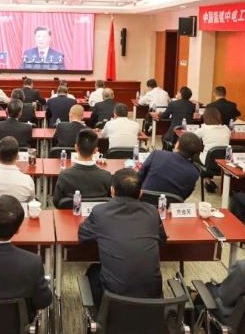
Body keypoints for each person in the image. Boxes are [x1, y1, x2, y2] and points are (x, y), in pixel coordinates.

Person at [78, 168, 166, 308]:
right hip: (152, 302)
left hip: (113, 301)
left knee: (93, 271)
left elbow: (83, 236)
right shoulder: (152, 212)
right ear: (141, 193)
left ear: (112, 191)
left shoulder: (100, 212)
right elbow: (162, 240)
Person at [52, 129, 111, 207]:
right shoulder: (106, 176)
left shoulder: (65, 175)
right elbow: (110, 202)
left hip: (71, 214)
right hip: (98, 214)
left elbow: (56, 202)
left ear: (76, 147)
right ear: (96, 150)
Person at [138, 132, 203, 201]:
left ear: (177, 144)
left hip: (143, 202)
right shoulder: (194, 173)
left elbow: (139, 177)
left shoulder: (157, 154)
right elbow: (184, 196)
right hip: (171, 206)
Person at [193, 107, 231, 193]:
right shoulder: (226, 129)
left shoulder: (203, 129)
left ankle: (207, 179)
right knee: (212, 154)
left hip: (209, 162)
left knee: (193, 154)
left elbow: (191, 137)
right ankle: (209, 180)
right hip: (224, 162)